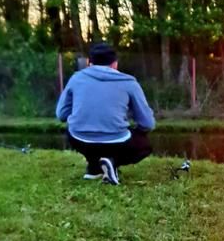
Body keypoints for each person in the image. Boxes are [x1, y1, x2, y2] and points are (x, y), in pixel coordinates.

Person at [56, 42, 155, 185]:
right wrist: (136, 127)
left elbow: (61, 114)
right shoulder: (129, 82)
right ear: (115, 64)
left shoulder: (76, 78)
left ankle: (95, 168)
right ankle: (112, 162)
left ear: (89, 63)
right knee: (144, 145)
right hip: (117, 141)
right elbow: (147, 123)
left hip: (79, 139)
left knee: (75, 129)